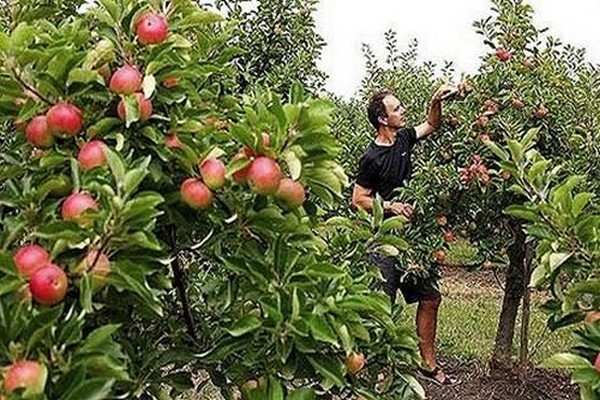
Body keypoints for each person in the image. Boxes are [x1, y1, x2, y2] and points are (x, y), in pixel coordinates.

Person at [351, 85, 458, 385]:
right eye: (396, 109)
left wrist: (435, 100)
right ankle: (376, 369)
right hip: (384, 241)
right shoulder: (371, 158)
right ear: (383, 119)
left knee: (430, 298)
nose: (402, 111)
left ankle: (427, 364)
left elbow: (432, 124)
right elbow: (358, 199)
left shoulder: (405, 138)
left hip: (412, 241)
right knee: (380, 308)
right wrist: (391, 207)